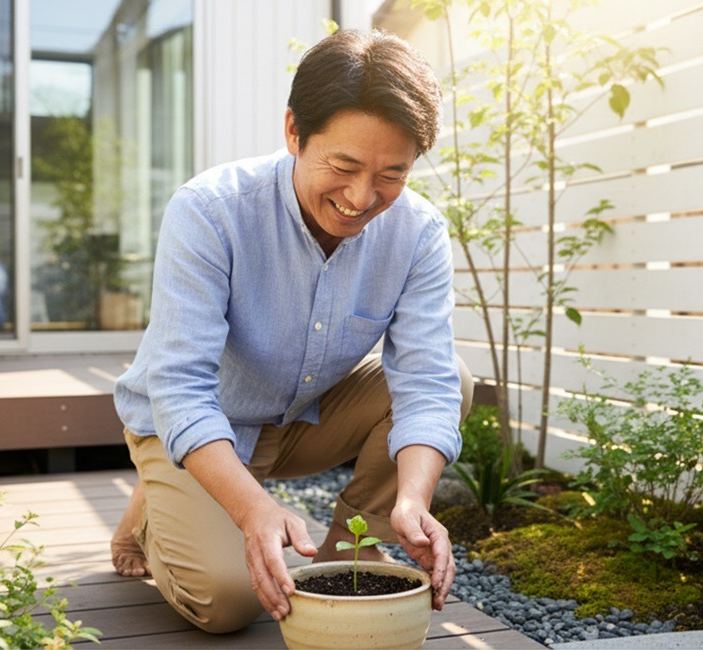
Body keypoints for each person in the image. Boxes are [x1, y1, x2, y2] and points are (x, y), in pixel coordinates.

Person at [110, 29, 473, 634]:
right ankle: (158, 498)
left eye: (392, 174)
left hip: (303, 417)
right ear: (293, 133)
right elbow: (179, 389)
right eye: (345, 165)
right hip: (198, 425)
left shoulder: (419, 234)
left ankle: (346, 544)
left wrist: (412, 500)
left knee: (454, 378)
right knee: (228, 602)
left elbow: (427, 384)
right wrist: (254, 509)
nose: (362, 197)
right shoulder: (210, 211)